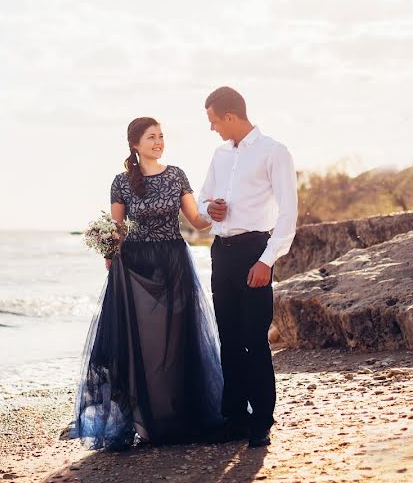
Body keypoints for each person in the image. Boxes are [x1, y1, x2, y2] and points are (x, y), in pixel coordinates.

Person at [71, 117, 224, 451]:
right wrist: (109, 255)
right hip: (135, 268)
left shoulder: (176, 174)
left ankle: (178, 415)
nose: (158, 141)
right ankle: (144, 420)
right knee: (141, 342)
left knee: (178, 338)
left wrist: (215, 213)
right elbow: (117, 227)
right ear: (135, 144)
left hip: (173, 262)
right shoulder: (121, 182)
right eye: (151, 137)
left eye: (161, 136)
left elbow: (195, 220)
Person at [198, 86, 298, 448]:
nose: (212, 129)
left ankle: (262, 420)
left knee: (254, 340)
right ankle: (236, 418)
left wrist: (266, 260)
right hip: (221, 253)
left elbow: (288, 213)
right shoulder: (219, 155)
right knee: (229, 339)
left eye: (213, 121)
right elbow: (203, 200)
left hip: (254, 251)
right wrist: (212, 210)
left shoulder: (275, 152)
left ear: (230, 116)